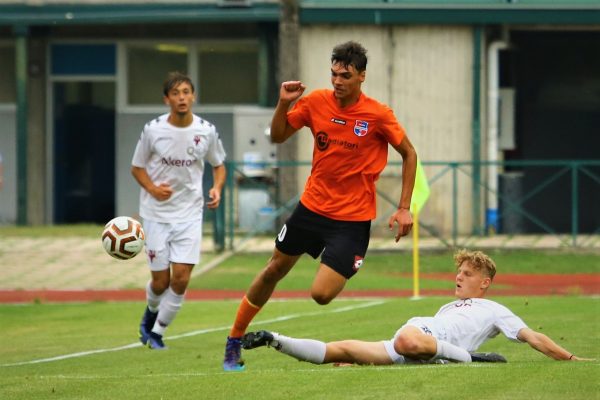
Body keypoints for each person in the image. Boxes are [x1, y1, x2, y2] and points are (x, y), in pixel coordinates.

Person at [223, 41, 418, 371]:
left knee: (322, 294)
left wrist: (403, 207)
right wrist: (284, 104)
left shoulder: (377, 114)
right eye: (333, 74)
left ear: (362, 76)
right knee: (273, 269)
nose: (337, 80)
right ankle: (233, 341)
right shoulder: (315, 102)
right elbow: (278, 134)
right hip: (311, 209)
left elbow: (409, 154)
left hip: (352, 221)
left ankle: (348, 335)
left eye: (345, 74)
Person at [241, 250, 591, 365]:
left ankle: (464, 360)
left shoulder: (496, 309)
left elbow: (533, 337)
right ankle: (274, 337)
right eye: (458, 271)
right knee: (342, 350)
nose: (458, 276)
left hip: (419, 339)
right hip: (419, 335)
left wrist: (572, 360)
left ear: (484, 283)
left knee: (407, 342)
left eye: (467, 274)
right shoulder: (447, 307)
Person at [131, 71, 226, 349]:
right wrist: (152, 188)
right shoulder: (153, 130)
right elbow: (136, 167)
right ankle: (149, 315)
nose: (182, 97)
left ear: (193, 96)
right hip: (156, 214)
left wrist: (217, 188)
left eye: (186, 92)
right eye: (176, 93)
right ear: (166, 99)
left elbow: (219, 164)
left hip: (189, 213)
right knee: (161, 282)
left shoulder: (206, 130)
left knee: (182, 278)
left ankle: (158, 332)